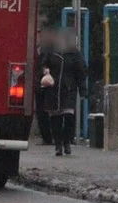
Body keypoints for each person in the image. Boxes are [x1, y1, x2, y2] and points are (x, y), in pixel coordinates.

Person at [37, 27, 87, 156]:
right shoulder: (51, 52)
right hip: (53, 89)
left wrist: (83, 91)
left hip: (68, 89)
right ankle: (58, 144)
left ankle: (67, 142)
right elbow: (43, 63)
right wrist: (45, 70)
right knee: (56, 119)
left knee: (69, 117)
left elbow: (81, 72)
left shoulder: (75, 54)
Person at [34, 29, 54, 146]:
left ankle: (49, 137)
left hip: (47, 85)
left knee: (47, 112)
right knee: (41, 112)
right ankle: (46, 137)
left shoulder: (48, 50)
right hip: (39, 86)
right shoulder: (35, 50)